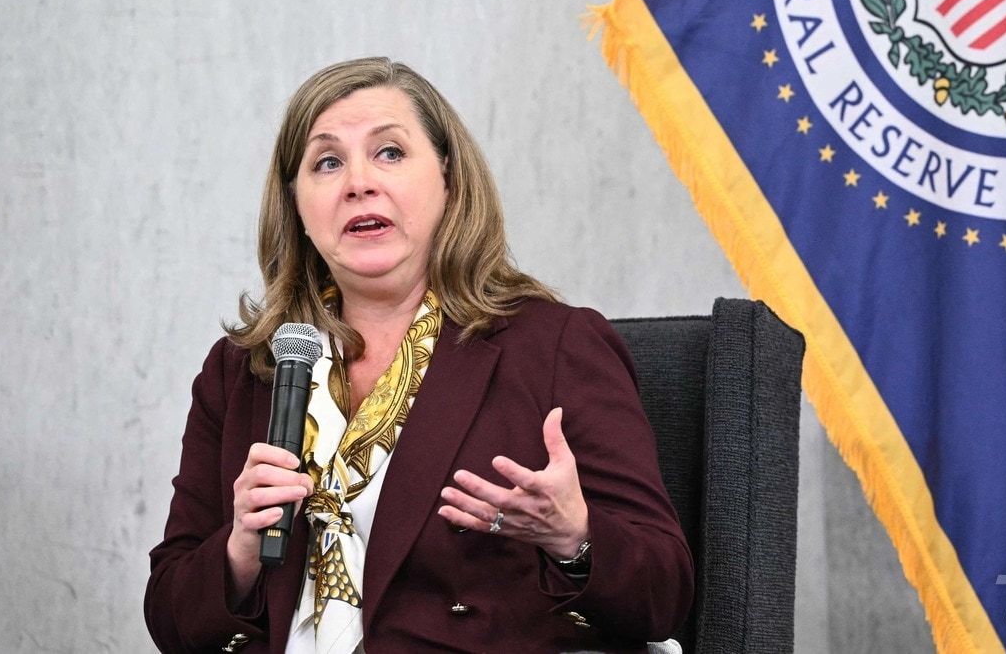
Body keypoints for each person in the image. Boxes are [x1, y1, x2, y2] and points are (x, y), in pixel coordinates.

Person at [146, 57, 693, 653]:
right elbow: (171, 620)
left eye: (389, 153)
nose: (358, 182)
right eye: (327, 162)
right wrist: (239, 554)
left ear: (449, 180)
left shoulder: (555, 347)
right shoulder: (245, 368)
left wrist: (575, 536)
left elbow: (664, 597)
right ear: (297, 208)